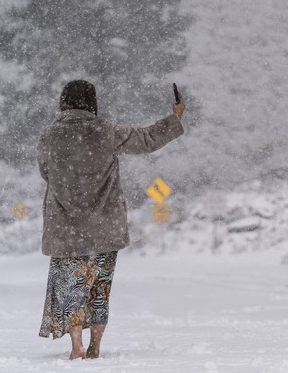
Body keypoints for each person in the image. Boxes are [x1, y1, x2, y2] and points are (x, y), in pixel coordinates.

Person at [37, 80, 185, 360]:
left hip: (66, 229)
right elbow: (147, 139)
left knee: (71, 285)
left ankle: (76, 345)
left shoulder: (49, 136)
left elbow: (46, 172)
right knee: (99, 287)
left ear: (63, 101)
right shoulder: (106, 131)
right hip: (104, 228)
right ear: (91, 102)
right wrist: (175, 117)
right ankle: (95, 346)